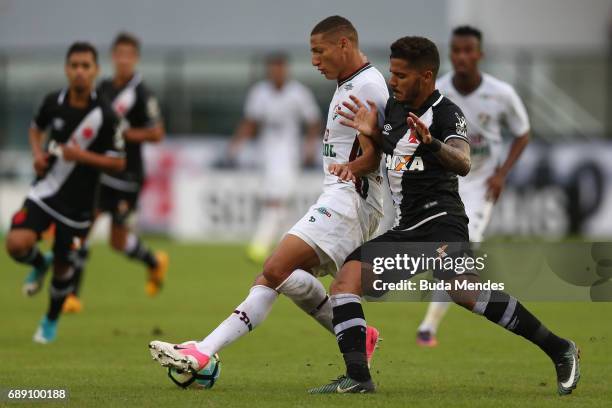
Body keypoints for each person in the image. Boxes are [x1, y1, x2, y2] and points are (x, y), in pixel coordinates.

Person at [308, 36, 580, 395]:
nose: (393, 81)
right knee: (448, 291)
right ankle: (560, 348)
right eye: (392, 73)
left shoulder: (446, 113)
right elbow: (385, 148)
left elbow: (463, 161)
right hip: (410, 227)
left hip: (440, 223)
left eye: (401, 75)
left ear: (426, 76)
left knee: (364, 283)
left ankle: (358, 377)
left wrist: (432, 144)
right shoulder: (392, 109)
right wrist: (370, 134)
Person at [148, 15, 389, 375]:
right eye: (311, 53)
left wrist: (351, 170)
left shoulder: (369, 86)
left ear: (344, 45)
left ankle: (203, 353)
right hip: (338, 196)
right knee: (276, 276)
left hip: (350, 202)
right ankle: (358, 336)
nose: (314, 61)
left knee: (275, 268)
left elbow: (381, 151)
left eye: (319, 51)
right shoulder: (348, 83)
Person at [416, 26, 531, 347]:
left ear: (480, 54)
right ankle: (430, 324)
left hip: (481, 185)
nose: (462, 57)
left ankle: (428, 326)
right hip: (447, 183)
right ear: (449, 54)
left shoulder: (501, 93)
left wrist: (502, 174)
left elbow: (523, 133)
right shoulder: (436, 92)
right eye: (456, 51)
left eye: (469, 51)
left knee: (456, 253)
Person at [5, 42, 125, 343]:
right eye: (74, 65)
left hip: (81, 206)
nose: (80, 72)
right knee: (16, 243)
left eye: (86, 66)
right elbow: (36, 128)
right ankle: (37, 262)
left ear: (96, 70)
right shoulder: (52, 102)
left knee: (63, 268)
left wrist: (81, 156)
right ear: (66, 69)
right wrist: (36, 153)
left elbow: (118, 162)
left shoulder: (107, 115)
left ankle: (49, 320)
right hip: (45, 192)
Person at [63, 32, 168, 313]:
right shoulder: (105, 87)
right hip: (101, 170)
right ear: (112, 57)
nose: (123, 60)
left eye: (128, 55)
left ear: (135, 59)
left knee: (117, 241)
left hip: (128, 176)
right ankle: (71, 295)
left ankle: (154, 262)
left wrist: (124, 133)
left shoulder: (141, 93)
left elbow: (158, 133)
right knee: (84, 228)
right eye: (119, 54)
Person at [227, 52, 322, 263]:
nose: (277, 73)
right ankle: (291, 247)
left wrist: (309, 146)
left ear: (286, 70)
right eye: (273, 69)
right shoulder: (259, 93)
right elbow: (250, 121)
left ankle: (259, 245)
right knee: (280, 204)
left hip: (289, 155)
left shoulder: (299, 93)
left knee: (276, 200)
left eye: (280, 69)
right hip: (266, 155)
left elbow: (313, 121)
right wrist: (237, 143)